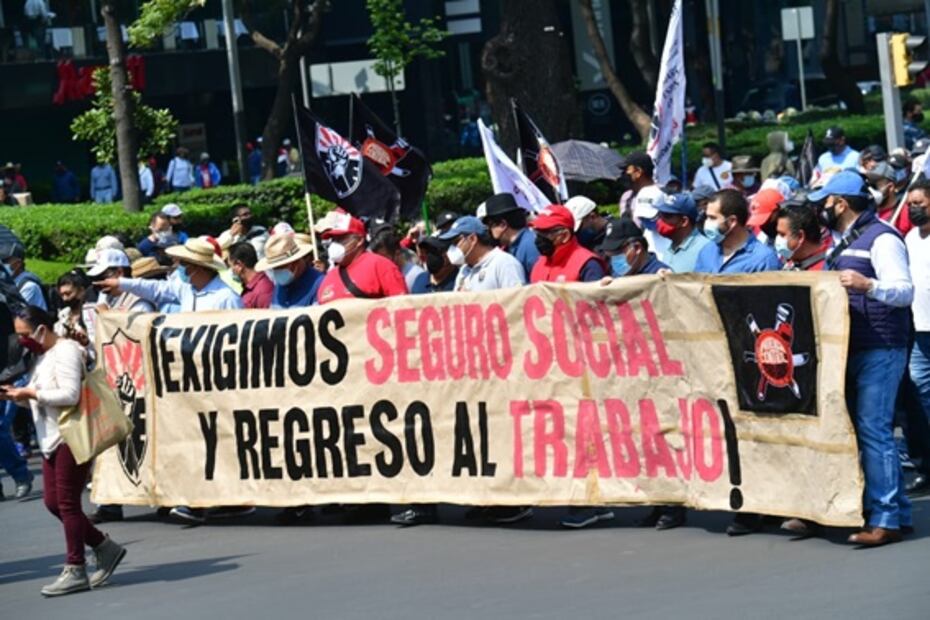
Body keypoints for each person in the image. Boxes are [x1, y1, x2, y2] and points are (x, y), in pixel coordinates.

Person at [812, 171, 914, 546]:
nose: (821, 208)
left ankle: (885, 518)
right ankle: (897, 512)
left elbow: (904, 291)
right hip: (852, 345)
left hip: (881, 346)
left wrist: (867, 285)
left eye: (826, 201)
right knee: (869, 429)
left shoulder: (883, 239)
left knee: (874, 430)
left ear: (841, 203)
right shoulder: (841, 240)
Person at [1, 306, 126, 596]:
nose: (22, 340)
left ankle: (75, 568)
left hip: (70, 436)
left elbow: (69, 395)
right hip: (50, 438)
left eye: (25, 334)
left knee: (67, 504)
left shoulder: (66, 351)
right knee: (53, 502)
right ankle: (104, 547)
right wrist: (17, 397)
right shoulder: (40, 357)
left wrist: (30, 393)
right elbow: (40, 397)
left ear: (42, 329)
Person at [96, 237, 243, 314]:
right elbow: (156, 289)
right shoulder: (186, 290)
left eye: (184, 264)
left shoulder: (227, 298)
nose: (180, 268)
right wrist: (120, 282)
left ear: (197, 268)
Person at [316, 211, 408, 304]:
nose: (335, 244)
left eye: (341, 239)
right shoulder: (329, 276)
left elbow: (402, 306)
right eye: (334, 240)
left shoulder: (381, 266)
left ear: (359, 240)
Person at [905, 181, 930, 497]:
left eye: (920, 203)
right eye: (911, 203)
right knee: (920, 399)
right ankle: (926, 467)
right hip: (918, 330)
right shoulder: (910, 238)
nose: (913, 208)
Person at [694, 189, 782, 274]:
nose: (707, 222)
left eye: (712, 218)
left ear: (732, 221)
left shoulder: (763, 259)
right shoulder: (707, 251)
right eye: (707, 217)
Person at [529, 204, 606, 283]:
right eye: (537, 231)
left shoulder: (588, 264)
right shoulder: (540, 262)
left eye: (545, 232)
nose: (539, 237)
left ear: (565, 235)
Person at [619, 151, 670, 261]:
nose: (624, 174)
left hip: (663, 254)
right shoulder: (627, 197)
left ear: (638, 172)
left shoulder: (663, 194)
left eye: (627, 170)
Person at [480, 193, 539, 279]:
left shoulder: (530, 245)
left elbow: (539, 282)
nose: (489, 230)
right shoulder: (512, 246)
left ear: (503, 225)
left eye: (491, 225)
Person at [654, 193, 711, 273]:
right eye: (660, 215)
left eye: (667, 216)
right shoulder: (670, 247)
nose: (660, 220)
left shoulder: (706, 248)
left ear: (684, 221)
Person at [598, 218, 669, 278]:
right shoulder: (619, 273)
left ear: (637, 247)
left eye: (617, 253)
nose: (614, 261)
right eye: (610, 256)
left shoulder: (661, 275)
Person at [369, 224, 430, 294]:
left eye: (384, 258)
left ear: (397, 253)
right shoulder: (384, 277)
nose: (380, 263)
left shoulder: (418, 277)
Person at [775, 204, 830, 271]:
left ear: (800, 236)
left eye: (782, 234)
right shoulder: (793, 261)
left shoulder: (827, 269)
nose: (778, 239)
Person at [867, 162, 912, 236]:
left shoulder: (905, 214)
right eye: (869, 185)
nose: (871, 190)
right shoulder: (867, 214)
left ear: (890, 187)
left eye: (875, 186)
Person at [228, 242, 274, 309]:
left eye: (230, 266)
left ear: (239, 265)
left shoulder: (263, 292)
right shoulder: (251, 288)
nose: (231, 270)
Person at [1, 243, 47, 310]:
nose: (1, 265)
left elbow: (16, 311)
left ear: (18, 264)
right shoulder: (8, 281)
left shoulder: (28, 286)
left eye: (4, 261)